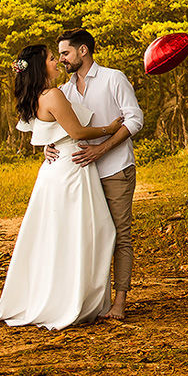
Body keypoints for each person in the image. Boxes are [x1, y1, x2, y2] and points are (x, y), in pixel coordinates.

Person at [0, 44, 123, 330]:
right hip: (71, 168)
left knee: (62, 235)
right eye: (51, 58)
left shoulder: (35, 96)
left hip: (55, 168)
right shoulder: (53, 94)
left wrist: (49, 144)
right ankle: (74, 298)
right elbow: (77, 132)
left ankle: (70, 294)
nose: (56, 61)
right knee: (88, 232)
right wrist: (110, 129)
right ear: (40, 66)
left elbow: (47, 130)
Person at [50, 27, 145, 322]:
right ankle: (93, 300)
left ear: (83, 51)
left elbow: (136, 119)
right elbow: (59, 129)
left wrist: (102, 148)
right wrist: (48, 148)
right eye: (60, 55)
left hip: (115, 169)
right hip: (82, 178)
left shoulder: (112, 78)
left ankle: (119, 302)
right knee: (91, 237)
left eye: (65, 53)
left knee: (119, 236)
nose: (62, 59)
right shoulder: (64, 91)